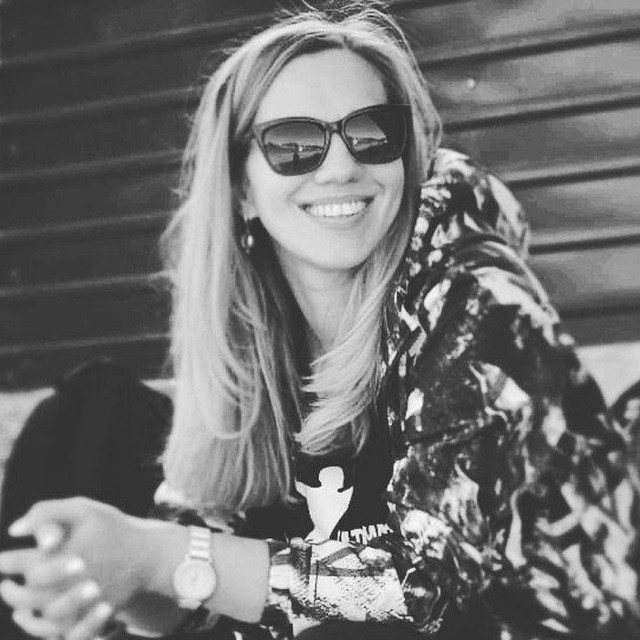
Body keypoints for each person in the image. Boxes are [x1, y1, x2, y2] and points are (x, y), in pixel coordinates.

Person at [0, 3, 638, 639]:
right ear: (241, 189)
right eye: (294, 145)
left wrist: (155, 555)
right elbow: (199, 585)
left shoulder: (477, 301)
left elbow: (423, 587)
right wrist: (104, 579)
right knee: (82, 413)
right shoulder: (251, 337)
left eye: (372, 134)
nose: (340, 167)